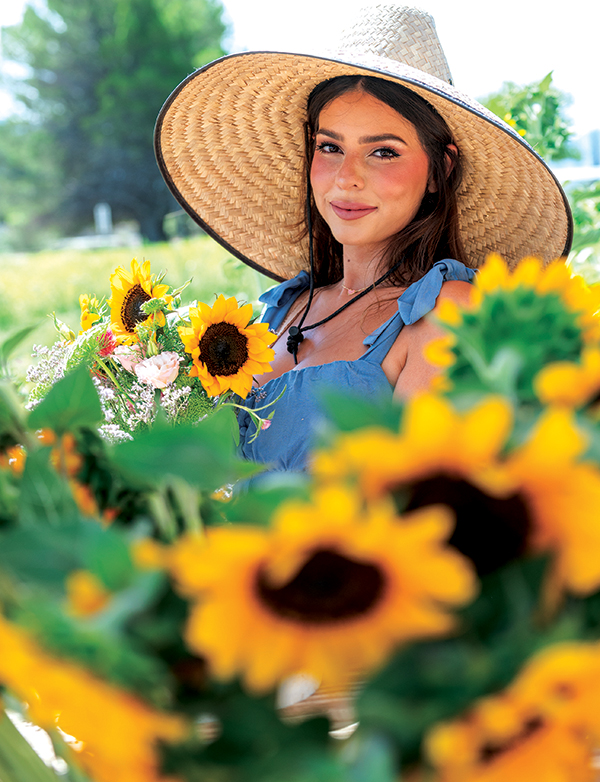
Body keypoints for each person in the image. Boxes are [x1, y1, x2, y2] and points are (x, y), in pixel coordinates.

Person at [154, 5, 572, 477]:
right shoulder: (279, 310)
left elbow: (414, 506)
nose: (346, 178)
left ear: (441, 169)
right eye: (330, 147)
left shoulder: (447, 314)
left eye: (383, 152)